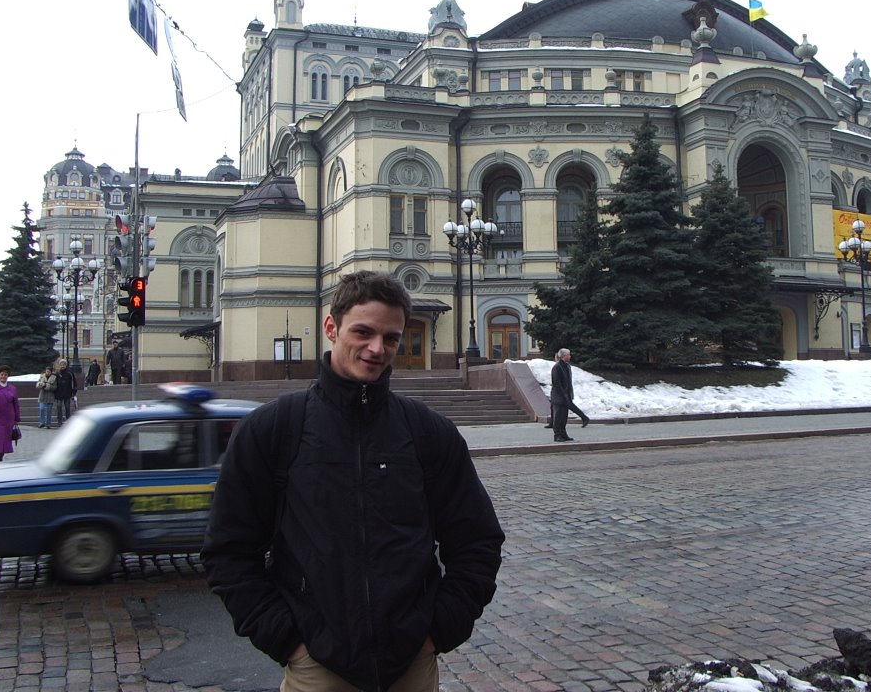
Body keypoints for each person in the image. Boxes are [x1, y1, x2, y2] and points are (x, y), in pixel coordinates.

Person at [202, 271, 504, 692]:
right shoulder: (273, 430)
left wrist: (438, 631)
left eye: (392, 338)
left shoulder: (428, 432)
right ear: (332, 327)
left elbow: (477, 541)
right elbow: (228, 551)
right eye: (363, 332)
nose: (377, 349)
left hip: (411, 666)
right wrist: (288, 641)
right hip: (318, 669)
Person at [550, 347, 590, 442]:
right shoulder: (557, 367)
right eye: (568, 354)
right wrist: (563, 393)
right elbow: (556, 383)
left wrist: (568, 394)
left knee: (564, 417)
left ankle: (563, 434)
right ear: (563, 356)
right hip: (559, 396)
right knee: (558, 417)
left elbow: (568, 382)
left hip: (566, 395)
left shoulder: (567, 366)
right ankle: (557, 435)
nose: (570, 356)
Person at [0, 364, 21, 462]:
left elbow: (16, 404)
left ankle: (0, 458)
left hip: (8, 419)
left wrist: (16, 418)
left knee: (4, 440)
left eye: (6, 374)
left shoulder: (12, 388)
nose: (3, 376)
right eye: (2, 374)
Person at [54, 359, 77, 426]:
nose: (62, 366)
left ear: (66, 365)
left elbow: (74, 383)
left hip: (67, 393)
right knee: (59, 407)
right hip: (59, 394)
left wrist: (74, 393)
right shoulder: (57, 373)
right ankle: (59, 421)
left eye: (64, 364)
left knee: (67, 407)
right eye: (61, 364)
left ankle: (68, 420)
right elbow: (54, 382)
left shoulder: (70, 373)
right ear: (59, 365)